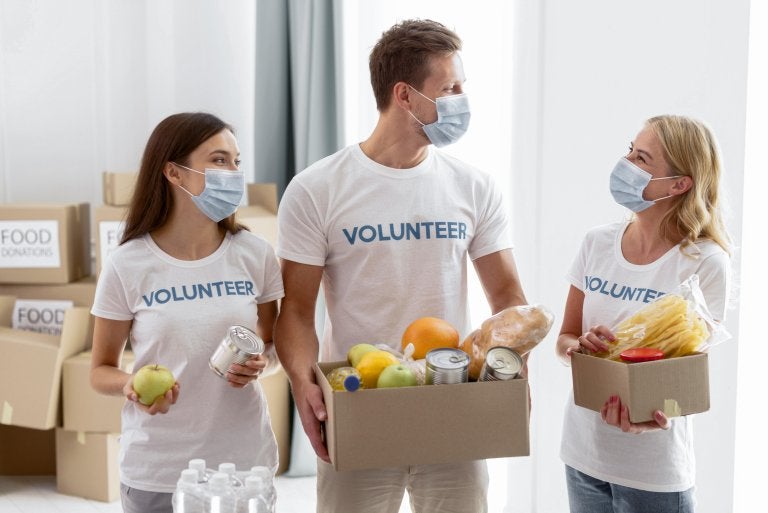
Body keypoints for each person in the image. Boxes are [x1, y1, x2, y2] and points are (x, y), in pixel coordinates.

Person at [274, 19, 527, 513]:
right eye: (450, 88)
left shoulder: (474, 186)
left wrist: (513, 373)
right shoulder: (316, 189)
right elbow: (297, 310)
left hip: (452, 403)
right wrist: (304, 384)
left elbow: (508, 299)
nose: (461, 100)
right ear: (405, 96)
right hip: (358, 402)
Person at [90, 112, 284, 513]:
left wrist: (262, 364)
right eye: (217, 160)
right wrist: (129, 385)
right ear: (174, 173)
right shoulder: (128, 263)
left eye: (236, 161)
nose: (232, 173)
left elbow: (272, 343)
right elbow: (100, 370)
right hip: (158, 469)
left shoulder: (255, 254)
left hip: (244, 465)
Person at [555, 115, 732, 513]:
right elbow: (564, 339)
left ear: (679, 184)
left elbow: (684, 386)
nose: (626, 164)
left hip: (653, 473)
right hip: (583, 458)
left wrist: (655, 416)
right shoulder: (596, 243)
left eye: (642, 158)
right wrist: (578, 348)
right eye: (629, 151)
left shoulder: (705, 262)